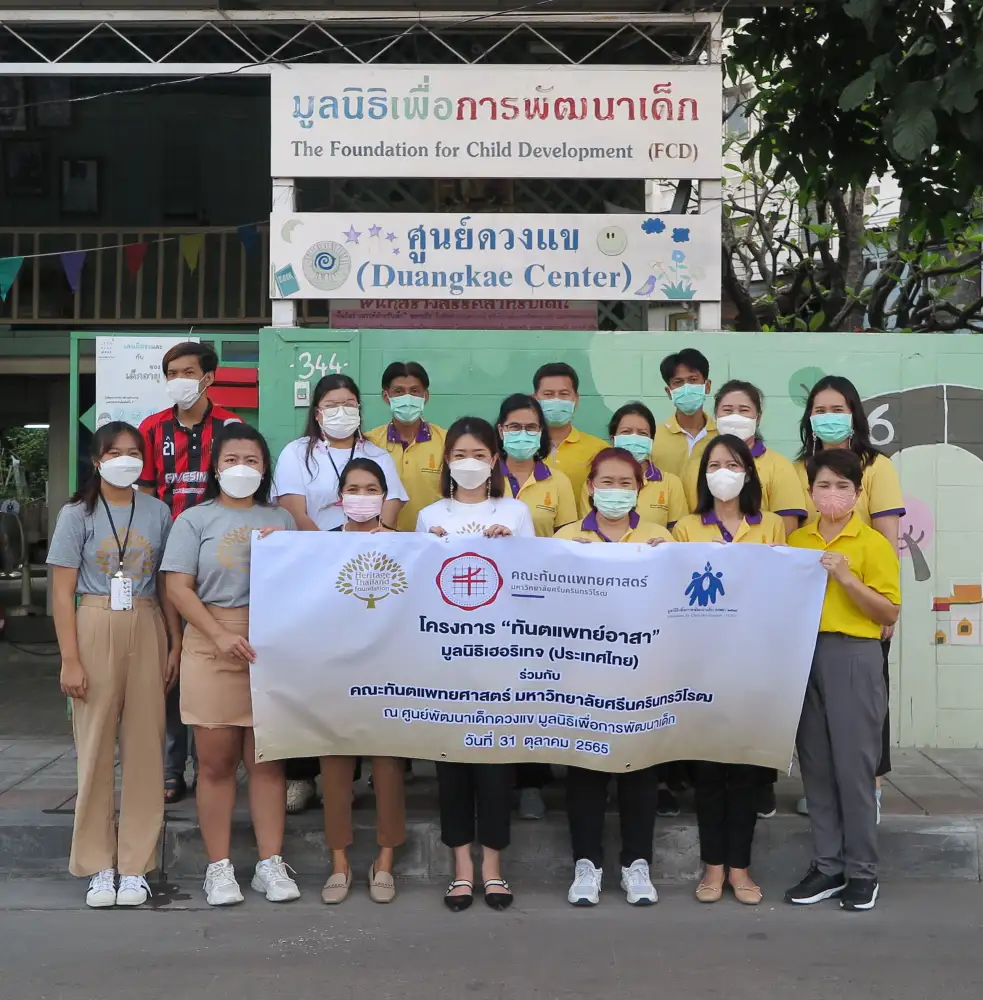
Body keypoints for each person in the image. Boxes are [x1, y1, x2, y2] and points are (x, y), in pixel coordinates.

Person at [162, 423, 301, 907]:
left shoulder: (281, 518)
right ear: (216, 467)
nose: (242, 468)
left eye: (252, 460)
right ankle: (219, 868)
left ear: (265, 469)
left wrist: (284, 549)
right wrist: (218, 634)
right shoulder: (194, 520)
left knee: (268, 762)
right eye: (231, 460)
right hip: (211, 642)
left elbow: (304, 578)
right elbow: (177, 587)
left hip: (269, 646)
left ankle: (270, 863)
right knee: (216, 763)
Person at [48, 422, 181, 908]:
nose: (125, 460)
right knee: (96, 748)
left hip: (146, 621)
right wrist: (69, 659)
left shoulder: (157, 511)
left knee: (146, 748)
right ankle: (98, 864)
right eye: (114, 452)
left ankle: (135, 865)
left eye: (133, 452)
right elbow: (61, 592)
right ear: (97, 459)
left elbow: (166, 582)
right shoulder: (76, 514)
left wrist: (174, 642)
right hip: (94, 620)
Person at [273, 373, 409, 811]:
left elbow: (391, 507)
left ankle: (348, 776)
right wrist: (332, 551)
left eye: (349, 402)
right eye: (331, 404)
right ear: (317, 411)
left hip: (366, 573)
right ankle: (301, 776)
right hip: (314, 570)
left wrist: (366, 545)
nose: (341, 411)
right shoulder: (298, 453)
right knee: (310, 673)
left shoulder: (376, 454)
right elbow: (294, 510)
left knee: (360, 671)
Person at [416, 416, 535, 912]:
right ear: (447, 460)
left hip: (499, 658)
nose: (470, 463)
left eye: (480, 455)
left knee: (494, 769)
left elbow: (533, 580)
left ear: (495, 460)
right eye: (461, 455)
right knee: (453, 769)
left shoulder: (516, 511)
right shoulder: (429, 515)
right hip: (448, 660)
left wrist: (511, 548)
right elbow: (418, 588)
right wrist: (430, 548)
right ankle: (462, 869)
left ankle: (493, 869)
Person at [784, 449, 900, 912]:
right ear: (810, 491)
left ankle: (863, 872)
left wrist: (847, 579)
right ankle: (828, 866)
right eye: (823, 485)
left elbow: (888, 611)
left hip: (853, 654)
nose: (832, 494)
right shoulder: (798, 542)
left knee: (855, 769)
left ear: (857, 492)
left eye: (842, 486)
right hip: (803, 654)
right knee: (815, 766)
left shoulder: (872, 543)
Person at [555, 447, 671, 907]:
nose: (616, 491)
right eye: (607, 482)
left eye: (626, 483)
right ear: (589, 486)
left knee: (639, 769)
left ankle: (636, 864)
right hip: (583, 672)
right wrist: (570, 560)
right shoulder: (567, 536)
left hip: (642, 671)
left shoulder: (659, 537)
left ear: (640, 489)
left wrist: (668, 562)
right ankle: (586, 864)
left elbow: (672, 604)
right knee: (585, 771)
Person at [672, 435, 785, 905]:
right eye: (715, 464)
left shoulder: (771, 525)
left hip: (753, 668)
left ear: (749, 473)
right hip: (701, 669)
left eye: (734, 464)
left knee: (745, 774)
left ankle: (741, 868)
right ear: (703, 475)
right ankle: (712, 867)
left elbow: (782, 589)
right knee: (708, 774)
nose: (724, 473)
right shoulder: (685, 528)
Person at [794, 375, 905, 822]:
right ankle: (823, 791)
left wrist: (884, 600)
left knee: (867, 705)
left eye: (837, 409)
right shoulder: (798, 467)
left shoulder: (876, 466)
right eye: (819, 410)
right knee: (816, 710)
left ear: (854, 414)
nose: (828, 417)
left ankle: (870, 785)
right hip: (812, 610)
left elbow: (888, 536)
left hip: (861, 602)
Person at [139, 341, 241, 807]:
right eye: (171, 373)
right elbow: (145, 495)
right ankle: (170, 767)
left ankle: (210, 765)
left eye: (187, 371)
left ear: (208, 377)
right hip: (167, 562)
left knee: (210, 658)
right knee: (170, 661)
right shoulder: (151, 428)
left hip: (218, 560)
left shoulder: (232, 428)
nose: (178, 380)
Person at [318, 458, 406, 905]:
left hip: (389, 671)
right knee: (335, 763)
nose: (362, 497)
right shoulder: (319, 547)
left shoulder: (407, 546)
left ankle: (384, 860)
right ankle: (339, 862)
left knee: (388, 766)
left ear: (385, 496)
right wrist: (275, 545)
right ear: (340, 498)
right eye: (354, 489)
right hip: (336, 670)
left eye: (372, 489)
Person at [494, 393, 578, 820]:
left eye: (531, 427)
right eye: (514, 426)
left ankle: (531, 781)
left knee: (532, 690)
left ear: (542, 433)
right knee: (494, 689)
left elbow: (567, 542)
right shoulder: (484, 475)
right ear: (500, 430)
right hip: (487, 603)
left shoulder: (557, 481)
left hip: (540, 600)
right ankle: (494, 777)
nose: (522, 434)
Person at [682, 381, 806, 538]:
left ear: (758, 417)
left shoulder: (779, 466)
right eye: (727, 410)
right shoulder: (696, 467)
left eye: (744, 410)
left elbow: (785, 530)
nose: (735, 417)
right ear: (716, 416)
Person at [581, 402, 689, 532]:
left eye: (642, 433)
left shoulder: (670, 484)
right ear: (613, 439)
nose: (634, 438)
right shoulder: (595, 483)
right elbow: (588, 531)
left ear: (651, 441)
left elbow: (676, 534)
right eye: (626, 432)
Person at [366, 361, 446, 533]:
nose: (407, 397)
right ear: (386, 396)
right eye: (399, 391)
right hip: (383, 538)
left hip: (433, 538)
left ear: (425, 396)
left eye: (414, 391)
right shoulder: (370, 442)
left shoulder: (446, 441)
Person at [532, 362, 607, 505]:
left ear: (576, 399)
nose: (556, 400)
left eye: (564, 394)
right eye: (548, 394)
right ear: (535, 399)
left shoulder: (599, 450)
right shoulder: (522, 446)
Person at [651, 348, 716, 479]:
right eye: (678, 382)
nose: (686, 388)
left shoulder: (722, 435)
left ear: (707, 386)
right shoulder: (653, 437)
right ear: (669, 392)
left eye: (693, 380)